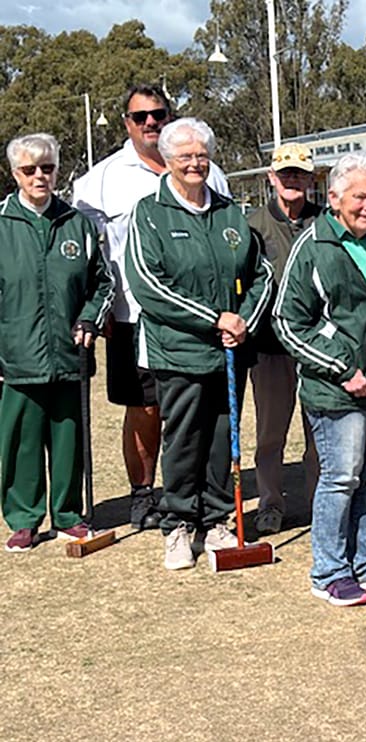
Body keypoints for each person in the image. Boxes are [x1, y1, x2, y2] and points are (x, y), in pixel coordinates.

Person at [73, 83, 230, 531]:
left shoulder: (207, 170)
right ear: (126, 122)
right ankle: (143, 494)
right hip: (131, 317)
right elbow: (85, 251)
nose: (150, 123)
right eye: (139, 116)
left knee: (198, 409)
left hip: (198, 319)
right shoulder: (102, 179)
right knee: (144, 410)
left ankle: (197, 492)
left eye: (158, 114)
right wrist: (95, 308)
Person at [125, 118, 273, 570]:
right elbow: (148, 283)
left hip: (230, 350)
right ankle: (178, 524)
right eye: (186, 156)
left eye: (202, 155)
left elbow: (261, 273)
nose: (195, 163)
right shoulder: (149, 213)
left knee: (222, 439)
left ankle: (216, 520)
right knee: (185, 439)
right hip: (179, 352)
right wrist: (213, 319)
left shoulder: (229, 212)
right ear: (168, 160)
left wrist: (243, 321)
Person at [274, 152, 366, 606]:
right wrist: (342, 369)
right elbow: (288, 322)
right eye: (359, 197)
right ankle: (330, 571)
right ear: (334, 198)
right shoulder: (314, 246)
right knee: (341, 478)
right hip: (336, 390)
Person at [1, 133, 114, 552]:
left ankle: (68, 514)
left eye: (47, 168)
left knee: (68, 440)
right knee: (21, 442)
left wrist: (89, 318)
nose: (39, 177)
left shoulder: (77, 223)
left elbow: (103, 284)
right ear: (15, 173)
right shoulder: (2, 223)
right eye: (29, 169)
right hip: (17, 356)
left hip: (70, 354)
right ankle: (24, 518)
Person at [247, 143, 322, 536]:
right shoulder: (253, 225)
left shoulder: (325, 222)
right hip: (270, 346)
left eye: (299, 174)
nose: (292, 180)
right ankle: (270, 504)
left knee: (319, 434)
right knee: (270, 434)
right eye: (285, 173)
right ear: (271, 178)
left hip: (316, 347)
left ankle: (320, 504)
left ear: (311, 179)